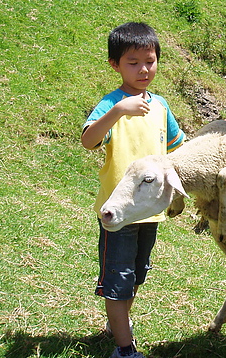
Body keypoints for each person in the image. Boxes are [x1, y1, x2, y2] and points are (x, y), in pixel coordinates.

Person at [81, 22, 186, 358]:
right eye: (133, 62)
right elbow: (88, 140)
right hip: (119, 213)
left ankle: (118, 322)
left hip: (150, 211)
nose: (144, 69)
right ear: (115, 65)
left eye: (150, 61)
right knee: (119, 278)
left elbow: (178, 147)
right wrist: (116, 112)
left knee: (137, 272)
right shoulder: (113, 104)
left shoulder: (161, 106)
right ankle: (124, 350)